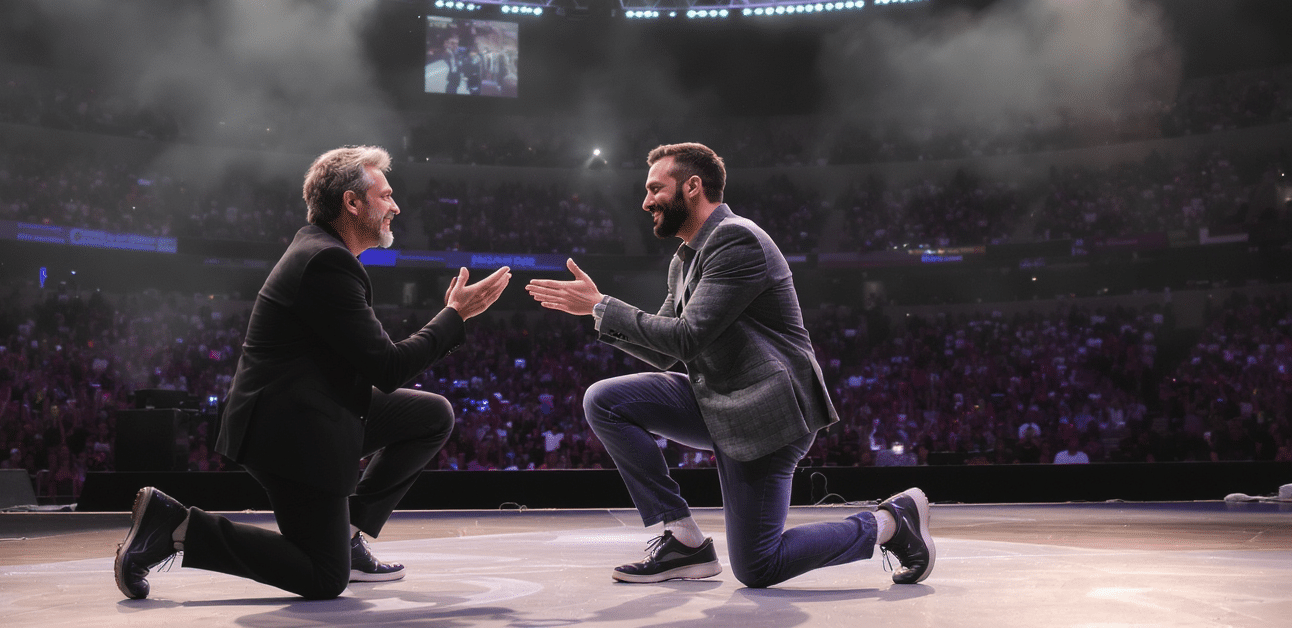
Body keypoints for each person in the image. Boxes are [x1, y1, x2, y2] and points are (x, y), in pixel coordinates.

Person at [526, 143, 935, 587]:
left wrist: (602, 306)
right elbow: (667, 352)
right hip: (721, 397)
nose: (645, 202)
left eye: (655, 188)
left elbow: (686, 337)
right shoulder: (685, 259)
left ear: (693, 186)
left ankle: (892, 522)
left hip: (768, 413)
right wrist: (597, 313)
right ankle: (683, 540)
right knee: (605, 400)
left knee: (759, 567)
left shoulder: (736, 239)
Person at [115, 145, 512, 600]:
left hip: (309, 412)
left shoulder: (325, 252)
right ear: (351, 202)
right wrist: (454, 316)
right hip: (287, 433)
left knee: (431, 416)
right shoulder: (327, 262)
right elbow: (388, 367)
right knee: (325, 578)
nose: (396, 207)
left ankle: (347, 532)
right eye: (385, 196)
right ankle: (177, 526)